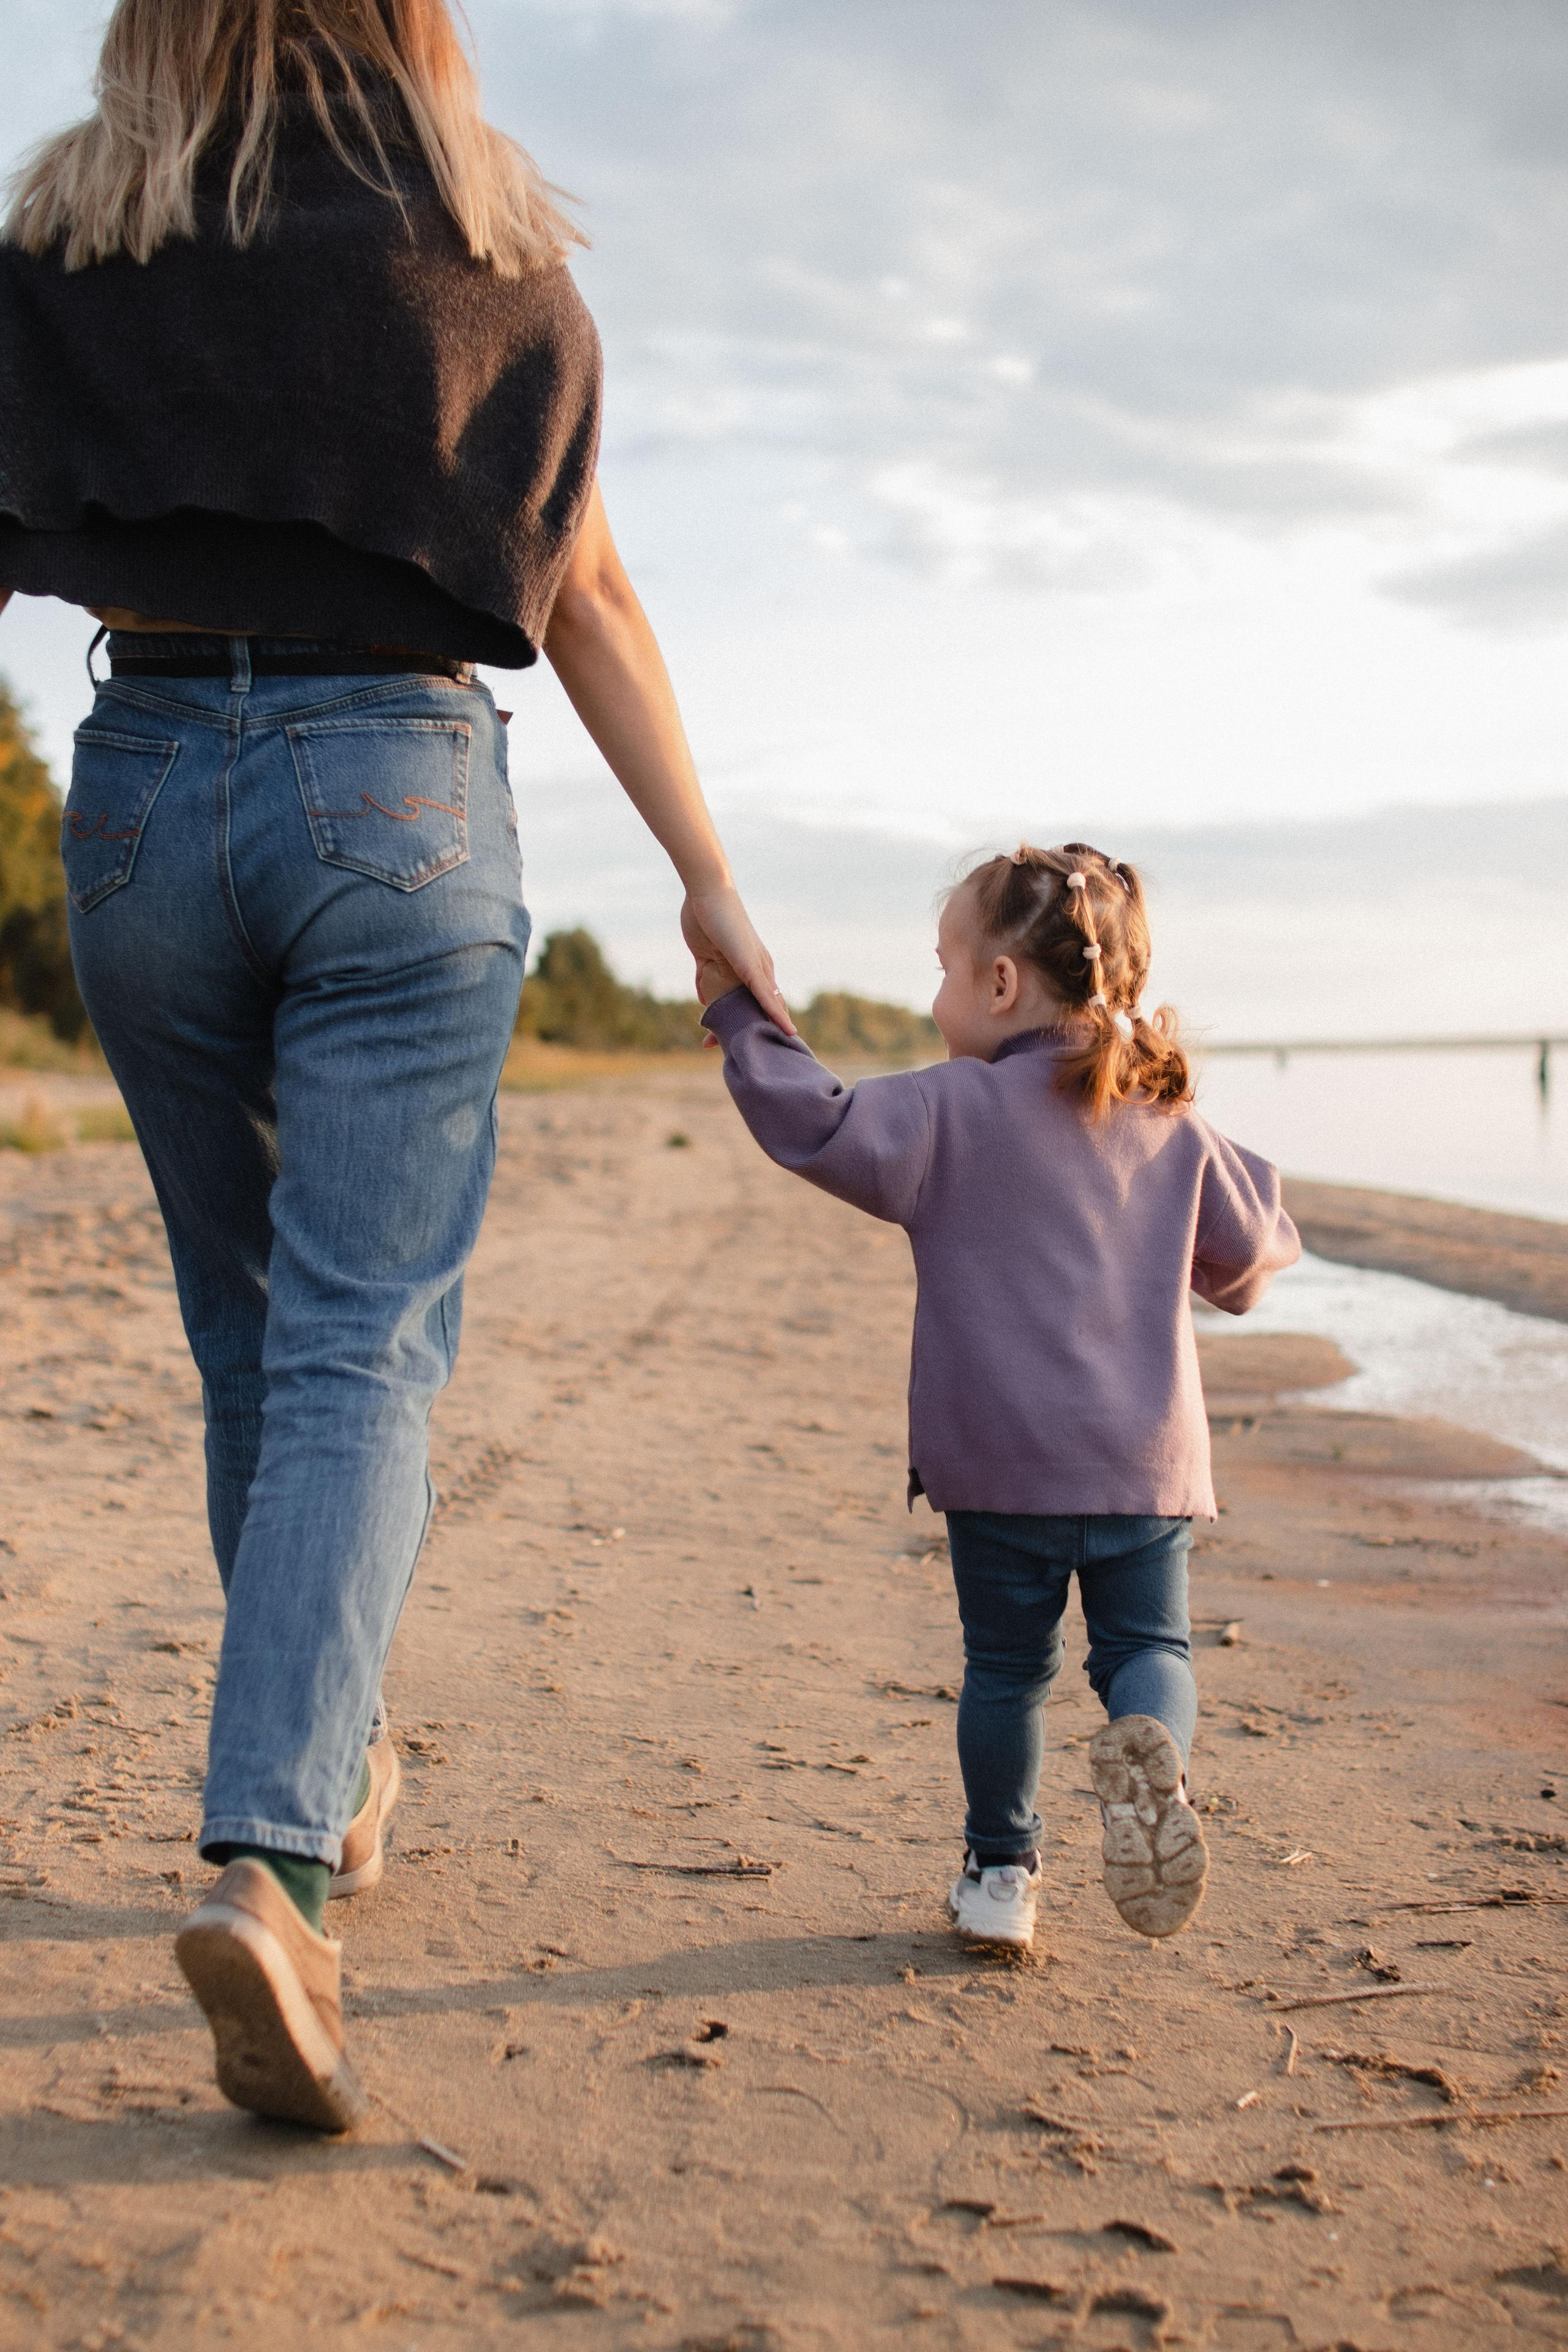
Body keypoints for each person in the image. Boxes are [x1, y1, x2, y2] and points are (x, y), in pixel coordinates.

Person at [0, 0, 789, 2133]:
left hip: (146, 793)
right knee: (362, 1344)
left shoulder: (72, 236)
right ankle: (273, 1863)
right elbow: (594, 587)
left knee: (255, 1332)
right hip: (403, 789)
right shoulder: (490, 250)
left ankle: (329, 1786)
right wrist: (707, 881)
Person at [696, 842, 1300, 1952]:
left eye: (942, 968)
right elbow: (1253, 1256)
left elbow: (817, 1121)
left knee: (1007, 1673)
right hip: (1142, 1466)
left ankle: (1000, 1876)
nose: (935, 997)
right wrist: (1192, 1141)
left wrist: (740, 1016)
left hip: (1001, 1468)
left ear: (1003, 985)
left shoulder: (946, 1113)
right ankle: (1147, 1747)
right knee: (1147, 1653)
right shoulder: (1167, 1122)